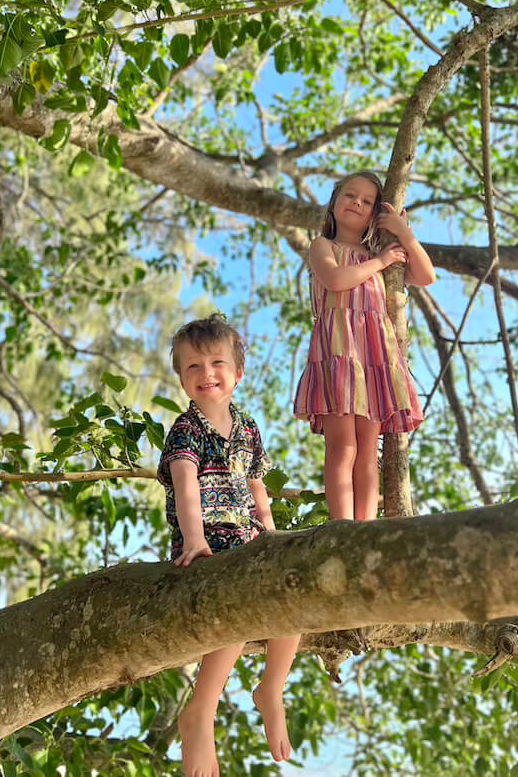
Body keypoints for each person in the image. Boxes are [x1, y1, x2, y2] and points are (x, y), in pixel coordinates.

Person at [158, 314, 300, 777]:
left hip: (250, 537)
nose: (206, 374)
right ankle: (201, 710)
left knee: (296, 595)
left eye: (217, 363)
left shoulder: (248, 427)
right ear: (181, 378)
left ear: (238, 373)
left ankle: (271, 688)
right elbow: (186, 488)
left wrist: (273, 536)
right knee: (236, 606)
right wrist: (195, 540)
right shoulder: (186, 430)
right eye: (192, 367)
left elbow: (257, 488)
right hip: (212, 541)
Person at [294, 171, 436, 522]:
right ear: (334, 203)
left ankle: (365, 525)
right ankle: (342, 524)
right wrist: (382, 261)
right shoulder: (324, 246)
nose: (357, 202)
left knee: (367, 449)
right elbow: (337, 279)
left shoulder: (380, 253)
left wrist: (405, 235)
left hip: (373, 354)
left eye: (367, 201)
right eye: (350, 195)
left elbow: (426, 276)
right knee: (343, 445)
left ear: (375, 214)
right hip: (339, 349)